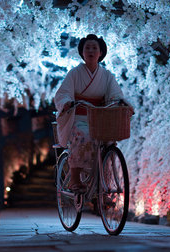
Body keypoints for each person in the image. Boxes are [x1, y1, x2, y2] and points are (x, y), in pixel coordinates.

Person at [54, 34, 133, 193]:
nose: (90, 50)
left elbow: (115, 95)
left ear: (101, 52)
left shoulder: (107, 76)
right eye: (87, 48)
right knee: (83, 135)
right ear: (82, 52)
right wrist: (68, 102)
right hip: (78, 118)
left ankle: (105, 180)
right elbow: (62, 93)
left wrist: (119, 102)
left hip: (99, 118)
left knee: (109, 140)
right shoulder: (74, 73)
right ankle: (75, 179)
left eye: (94, 48)